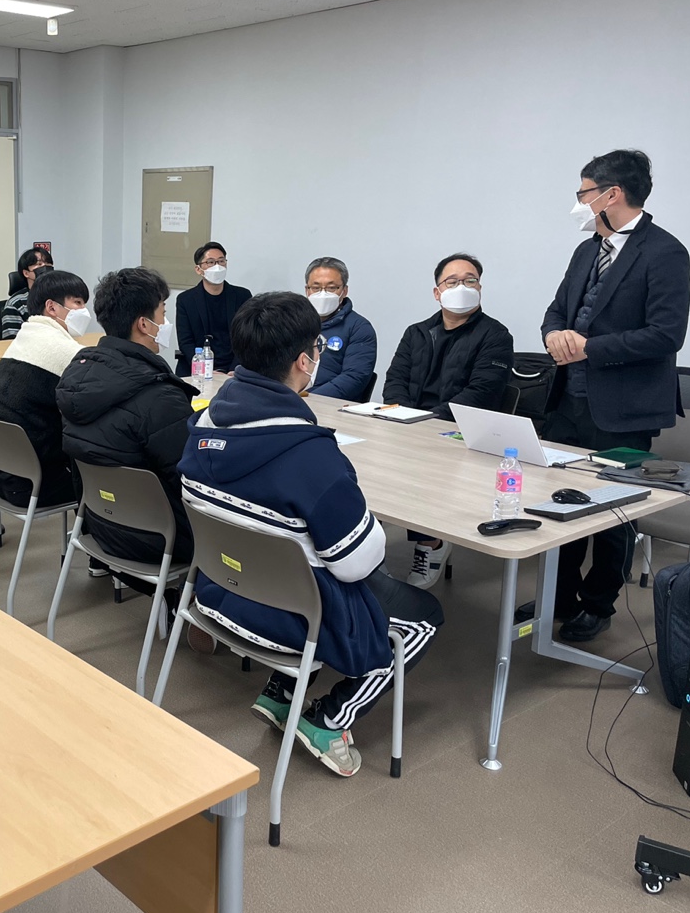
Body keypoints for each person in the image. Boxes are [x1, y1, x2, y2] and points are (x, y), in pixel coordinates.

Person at [178, 292, 442, 776]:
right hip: (290, 617)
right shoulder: (311, 454)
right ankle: (328, 719)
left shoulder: (204, 422)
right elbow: (357, 563)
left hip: (217, 592)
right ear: (305, 360)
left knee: (299, 556)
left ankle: (281, 695)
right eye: (317, 349)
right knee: (423, 616)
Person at [525, 149, 690, 642]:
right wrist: (554, 335)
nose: (578, 203)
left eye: (583, 193)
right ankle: (558, 596)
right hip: (568, 400)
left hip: (624, 408)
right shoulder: (587, 250)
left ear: (610, 194)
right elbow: (556, 310)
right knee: (557, 502)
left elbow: (666, 335)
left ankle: (597, 604)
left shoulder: (664, 251)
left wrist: (590, 348)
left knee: (614, 513)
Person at [383, 253, 514, 589]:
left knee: (424, 462)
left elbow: (482, 392)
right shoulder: (417, 332)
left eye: (470, 280)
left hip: (458, 430)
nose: (461, 286)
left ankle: (432, 545)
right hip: (411, 424)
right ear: (437, 292)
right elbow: (394, 380)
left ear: (480, 288)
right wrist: (406, 418)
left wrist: (428, 422)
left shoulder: (495, 335)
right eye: (452, 281)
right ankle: (368, 545)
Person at [56, 266, 196, 576]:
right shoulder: (160, 395)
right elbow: (189, 480)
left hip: (98, 524)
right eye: (163, 313)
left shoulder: (77, 375)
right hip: (159, 540)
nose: (166, 323)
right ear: (144, 324)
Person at [0, 270, 90, 508]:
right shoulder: (66, 351)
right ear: (51, 307)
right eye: (78, 303)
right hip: (36, 485)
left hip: (3, 474)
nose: (84, 311)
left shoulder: (24, 337)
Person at [303, 256, 378, 401]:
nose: (323, 293)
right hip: (288, 399)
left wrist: (309, 400)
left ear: (344, 290)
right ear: (307, 290)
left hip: (330, 405)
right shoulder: (292, 322)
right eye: (316, 288)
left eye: (331, 288)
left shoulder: (359, 328)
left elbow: (354, 378)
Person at [173, 241, 252, 376]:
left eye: (221, 261)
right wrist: (205, 369)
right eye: (210, 262)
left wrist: (235, 369)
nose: (217, 266)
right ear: (199, 269)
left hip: (233, 368)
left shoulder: (242, 296)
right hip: (199, 367)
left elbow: (248, 338)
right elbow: (185, 342)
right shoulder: (185, 300)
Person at [0, 247, 54, 339]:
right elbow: (11, 341)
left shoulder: (61, 297)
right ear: (26, 273)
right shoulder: (16, 303)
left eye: (48, 263)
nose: (45, 267)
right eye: (39, 264)